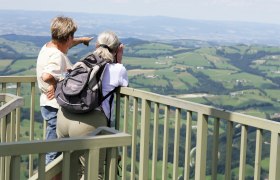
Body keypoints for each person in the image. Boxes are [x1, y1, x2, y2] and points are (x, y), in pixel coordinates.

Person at [56, 31, 128, 180]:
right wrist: (118, 60)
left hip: (64, 116)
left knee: (70, 169)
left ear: (96, 46)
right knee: (93, 174)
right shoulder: (117, 69)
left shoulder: (83, 62)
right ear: (117, 49)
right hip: (89, 123)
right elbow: (123, 83)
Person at [36, 16, 93, 165]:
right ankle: (49, 175)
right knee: (54, 150)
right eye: (72, 36)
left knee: (54, 147)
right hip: (54, 105)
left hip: (47, 103)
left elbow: (65, 44)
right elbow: (46, 75)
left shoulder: (49, 46)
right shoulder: (57, 55)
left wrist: (81, 40)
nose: (72, 40)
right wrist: (54, 82)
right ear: (67, 37)